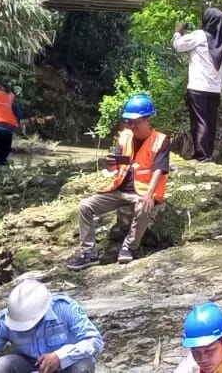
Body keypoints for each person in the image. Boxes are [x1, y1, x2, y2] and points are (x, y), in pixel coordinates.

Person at [67, 93, 172, 269]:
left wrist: (149, 194)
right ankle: (89, 253)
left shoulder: (160, 140)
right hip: (119, 189)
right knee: (85, 206)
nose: (132, 126)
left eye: (135, 122)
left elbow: (159, 169)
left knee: (143, 207)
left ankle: (130, 247)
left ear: (147, 119)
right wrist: (110, 165)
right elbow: (115, 167)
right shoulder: (124, 137)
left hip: (142, 191)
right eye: (129, 122)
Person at [0, 279, 105, 373]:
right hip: (32, 367)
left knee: (82, 366)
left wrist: (61, 356)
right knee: (2, 366)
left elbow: (94, 340)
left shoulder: (64, 308)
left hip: (68, 366)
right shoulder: (5, 321)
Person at [174, 8, 222, 161]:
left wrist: (177, 32)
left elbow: (178, 46)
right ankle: (208, 153)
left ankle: (201, 155)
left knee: (199, 121)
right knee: (211, 121)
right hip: (214, 89)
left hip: (198, 87)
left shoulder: (199, 36)